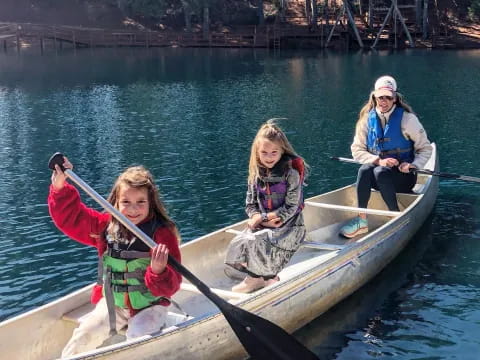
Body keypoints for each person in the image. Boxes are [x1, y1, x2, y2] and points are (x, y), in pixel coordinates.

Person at [48, 157, 182, 357]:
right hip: (114, 303)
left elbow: (172, 286)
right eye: (126, 202)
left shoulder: (161, 235)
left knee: (138, 339)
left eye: (140, 202)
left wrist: (158, 271)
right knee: (84, 333)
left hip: (150, 306)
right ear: (116, 202)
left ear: (151, 203)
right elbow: (73, 218)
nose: (133, 209)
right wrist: (59, 187)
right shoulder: (105, 227)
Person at [339, 75, 432, 238]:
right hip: (379, 177)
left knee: (379, 172)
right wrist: (378, 160)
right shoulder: (366, 120)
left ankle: (394, 215)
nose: (384, 101)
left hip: (404, 177)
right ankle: (361, 220)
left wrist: (413, 165)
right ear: (374, 97)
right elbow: (357, 150)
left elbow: (425, 149)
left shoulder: (408, 120)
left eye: (388, 97)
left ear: (395, 99)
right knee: (365, 170)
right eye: (380, 97)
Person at [225, 120, 308, 293]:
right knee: (240, 242)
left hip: (289, 224)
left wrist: (266, 219)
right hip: (264, 222)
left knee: (260, 241)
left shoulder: (290, 173)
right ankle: (257, 278)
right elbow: (250, 204)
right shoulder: (255, 174)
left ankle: (267, 278)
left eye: (274, 152)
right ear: (257, 152)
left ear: (282, 151)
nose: (269, 157)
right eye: (264, 153)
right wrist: (258, 217)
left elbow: (292, 207)